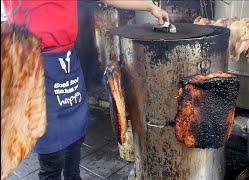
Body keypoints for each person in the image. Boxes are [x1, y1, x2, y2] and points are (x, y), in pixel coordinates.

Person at [2, 1, 169, 179]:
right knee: (52, 157)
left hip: (68, 61)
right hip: (34, 64)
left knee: (75, 140)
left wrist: (150, 7)